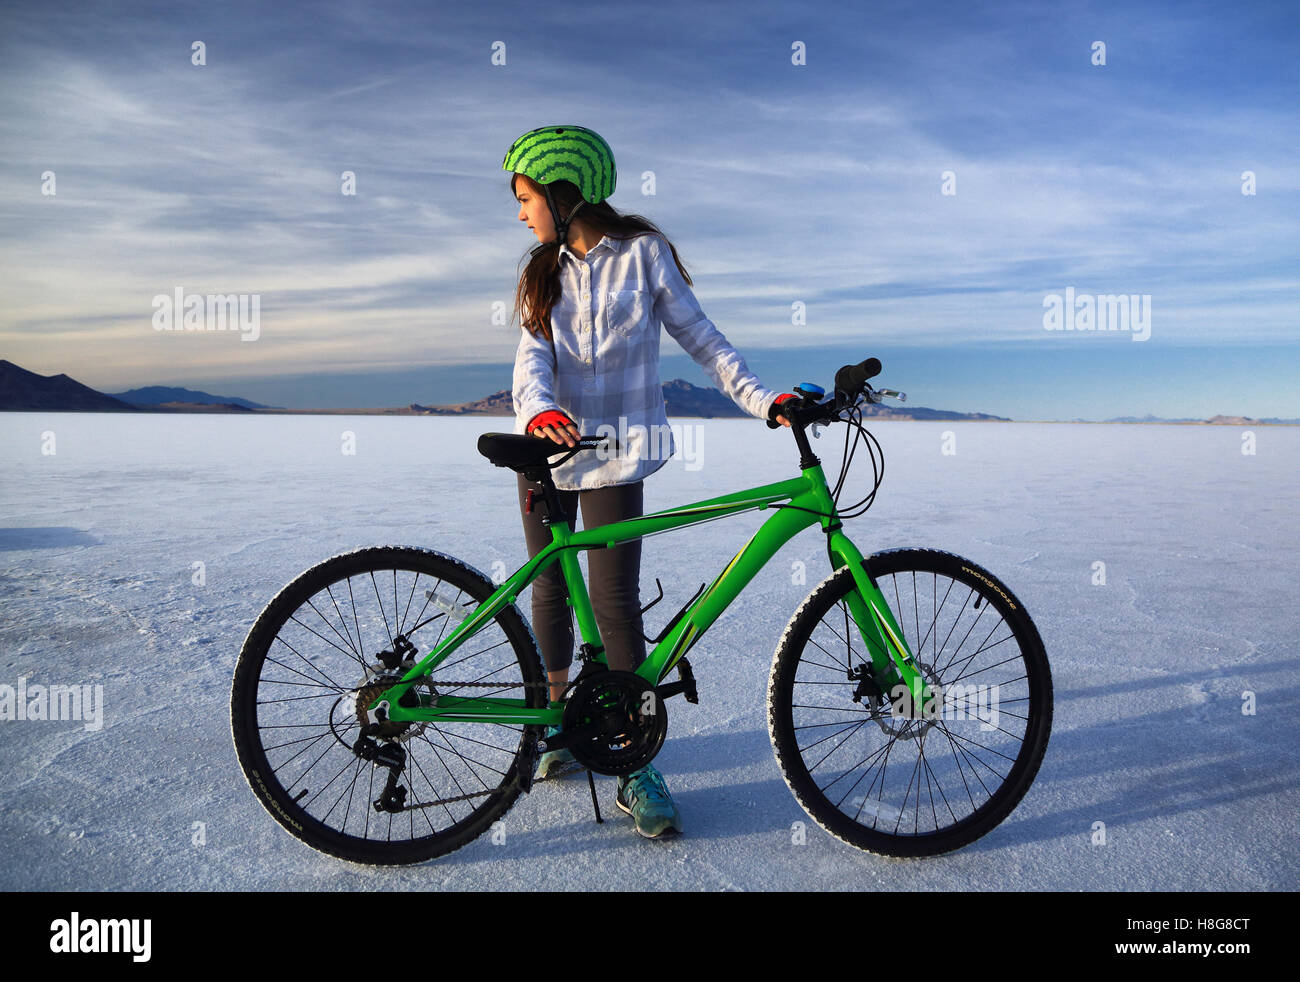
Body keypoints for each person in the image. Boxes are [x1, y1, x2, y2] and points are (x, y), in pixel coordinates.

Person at [503, 124, 795, 839]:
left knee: (610, 594)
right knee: (549, 584)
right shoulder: (543, 272)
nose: (520, 214)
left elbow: (704, 340)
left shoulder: (643, 256)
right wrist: (540, 411)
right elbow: (530, 359)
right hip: (548, 449)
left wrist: (764, 401)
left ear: (562, 194)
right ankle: (556, 719)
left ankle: (633, 757)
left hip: (616, 453)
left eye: (525, 197)